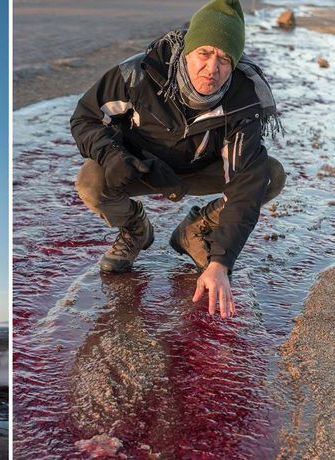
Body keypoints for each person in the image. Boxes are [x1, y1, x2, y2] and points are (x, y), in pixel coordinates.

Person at [70, 0, 285, 319]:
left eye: (225, 59)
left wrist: (220, 262)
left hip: (203, 171)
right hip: (140, 168)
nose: (212, 69)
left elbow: (244, 183)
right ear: (187, 50)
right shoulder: (138, 75)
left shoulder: (243, 100)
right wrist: (112, 155)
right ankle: (135, 228)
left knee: (269, 175)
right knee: (91, 181)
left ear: (235, 62)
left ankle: (196, 230)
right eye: (205, 53)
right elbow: (86, 118)